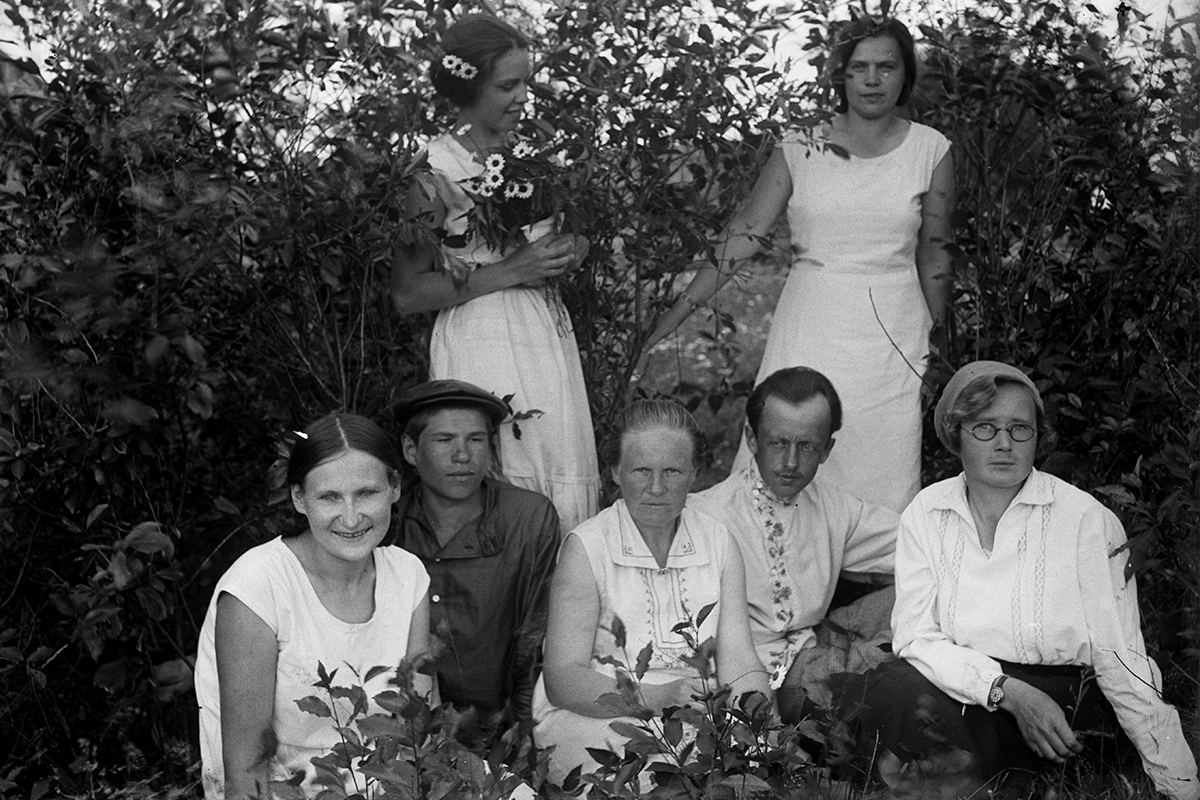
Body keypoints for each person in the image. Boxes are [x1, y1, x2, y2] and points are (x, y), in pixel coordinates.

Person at [649, 16, 954, 513]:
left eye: (886, 66)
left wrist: (939, 339)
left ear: (905, 75)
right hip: (812, 319)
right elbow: (744, 232)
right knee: (792, 437)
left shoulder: (931, 149)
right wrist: (677, 310)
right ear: (840, 76)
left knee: (881, 457)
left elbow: (936, 248)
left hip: (894, 328)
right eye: (859, 68)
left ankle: (877, 577)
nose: (872, 79)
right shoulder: (799, 143)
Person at [855, 361, 1199, 798]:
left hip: (1064, 700)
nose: (1004, 444)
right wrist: (1005, 691)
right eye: (985, 428)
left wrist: (1180, 782)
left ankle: (956, 780)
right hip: (977, 687)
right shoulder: (926, 513)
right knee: (894, 686)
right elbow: (917, 638)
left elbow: (1121, 659)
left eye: (1020, 429)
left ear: (1039, 437)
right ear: (955, 433)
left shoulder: (1087, 521)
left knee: (935, 725)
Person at [390, 13, 599, 532]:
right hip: (480, 335)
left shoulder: (530, 156)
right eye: (509, 84)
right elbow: (408, 294)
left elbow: (571, 233)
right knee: (504, 467)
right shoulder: (432, 173)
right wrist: (511, 270)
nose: (524, 96)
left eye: (526, 81)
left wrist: (572, 249)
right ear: (470, 86)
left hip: (543, 331)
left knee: (557, 461)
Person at [532, 399, 771, 783]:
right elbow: (562, 680)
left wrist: (755, 716)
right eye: (642, 470)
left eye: (673, 471)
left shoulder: (719, 542)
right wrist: (659, 698)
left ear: (695, 473)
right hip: (596, 715)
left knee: (742, 762)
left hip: (696, 714)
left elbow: (740, 659)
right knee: (657, 764)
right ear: (615, 471)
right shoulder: (587, 547)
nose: (657, 488)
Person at [195, 413, 431, 799]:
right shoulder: (258, 587)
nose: (352, 517)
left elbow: (415, 732)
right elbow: (245, 772)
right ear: (299, 498)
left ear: (395, 488)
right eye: (330, 497)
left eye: (367, 493)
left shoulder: (408, 576)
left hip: (387, 786)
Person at [689, 367, 898, 718]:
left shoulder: (833, 507)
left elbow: (919, 542)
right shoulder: (707, 514)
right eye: (778, 443)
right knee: (879, 677)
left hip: (813, 643)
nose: (790, 462)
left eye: (806, 446)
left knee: (920, 590)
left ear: (827, 449)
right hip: (753, 676)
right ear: (752, 439)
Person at [393, 379, 560, 729]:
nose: (463, 456)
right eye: (444, 440)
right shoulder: (388, 524)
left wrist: (523, 731)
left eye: (475, 439)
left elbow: (535, 636)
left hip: (503, 729)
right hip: (407, 731)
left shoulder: (528, 518)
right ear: (410, 450)